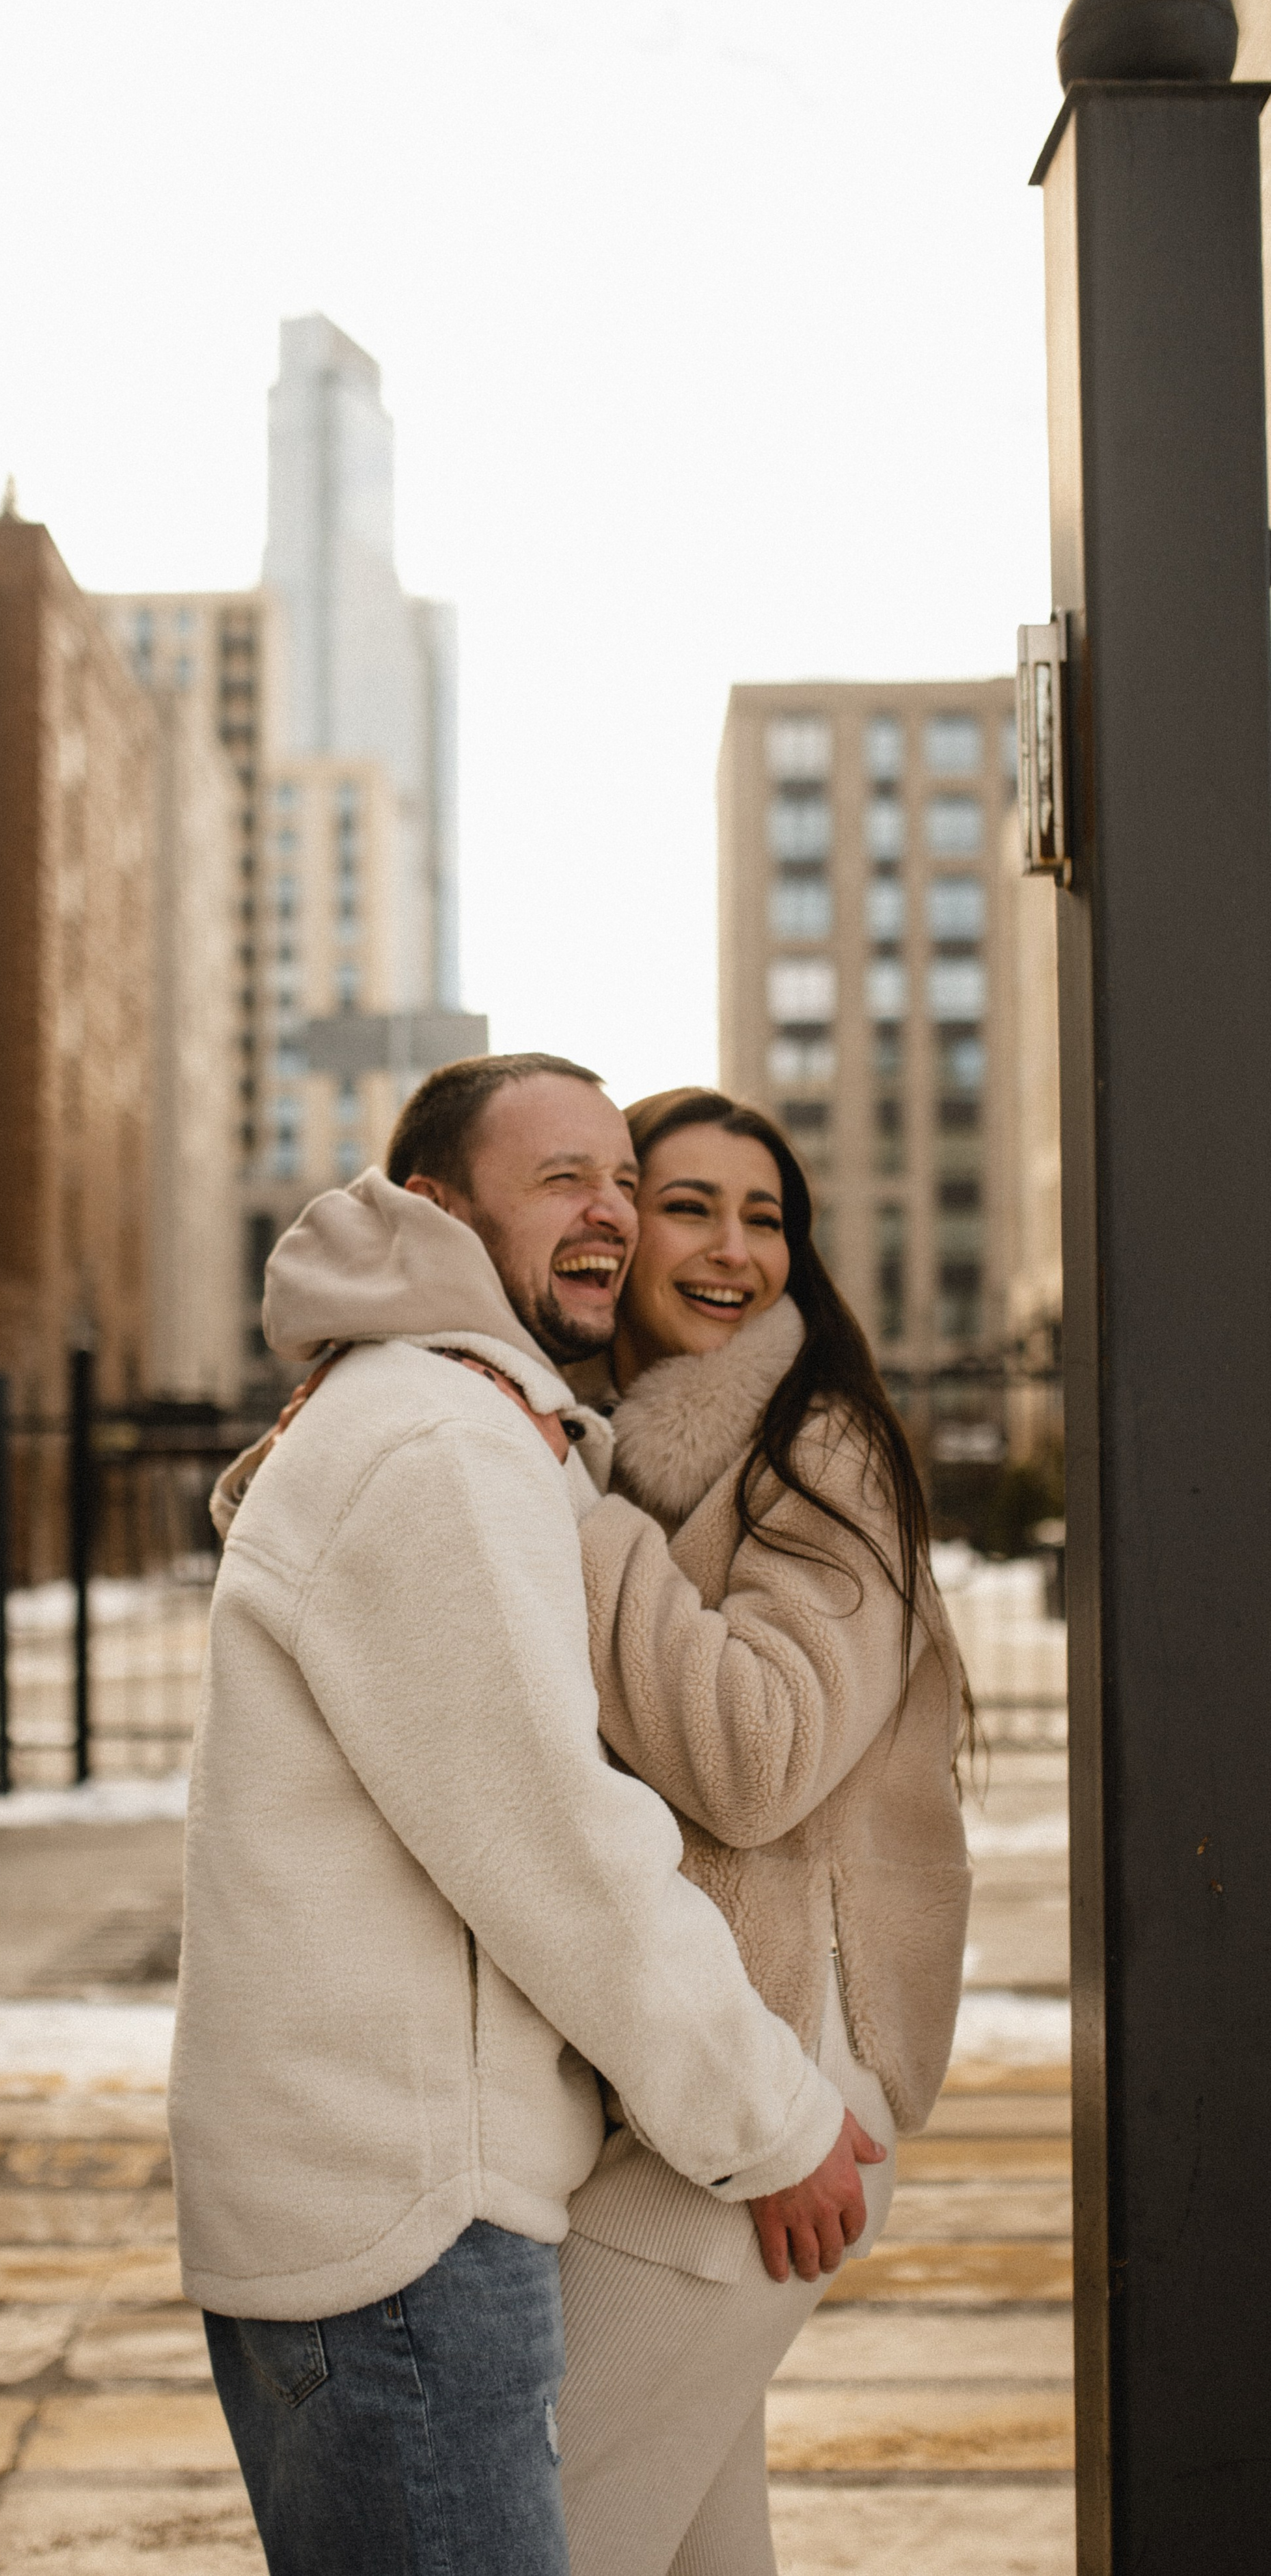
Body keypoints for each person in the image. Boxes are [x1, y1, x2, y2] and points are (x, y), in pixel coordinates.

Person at [170, 1054, 882, 2576]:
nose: (610, 1212)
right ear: (435, 1206)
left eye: (618, 1178)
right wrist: (769, 2118)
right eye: (565, 1176)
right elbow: (558, 1849)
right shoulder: (443, 1441)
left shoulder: (439, 1417)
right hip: (410, 2232)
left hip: (385, 2210)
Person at [554, 1086, 972, 2576]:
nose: (732, 1247)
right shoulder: (639, 1450)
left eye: (764, 1215)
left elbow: (758, 1754)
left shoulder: (818, 1450)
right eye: (687, 1205)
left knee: (535, 2528)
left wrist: (574, 1516)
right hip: (691, 2081)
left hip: (788, 2074)